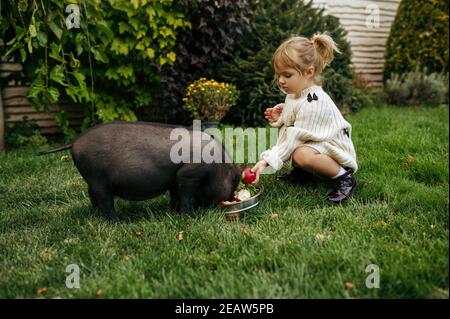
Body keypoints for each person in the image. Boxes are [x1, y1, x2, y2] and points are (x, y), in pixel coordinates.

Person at [251, 33, 358, 204]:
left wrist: (266, 160)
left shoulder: (314, 101)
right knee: (299, 150)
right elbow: (296, 118)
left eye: (287, 75)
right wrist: (283, 114)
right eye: (279, 75)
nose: (280, 80)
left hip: (335, 149)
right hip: (319, 142)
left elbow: (295, 137)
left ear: (309, 72)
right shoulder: (297, 94)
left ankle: (344, 177)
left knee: (300, 153)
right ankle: (303, 174)